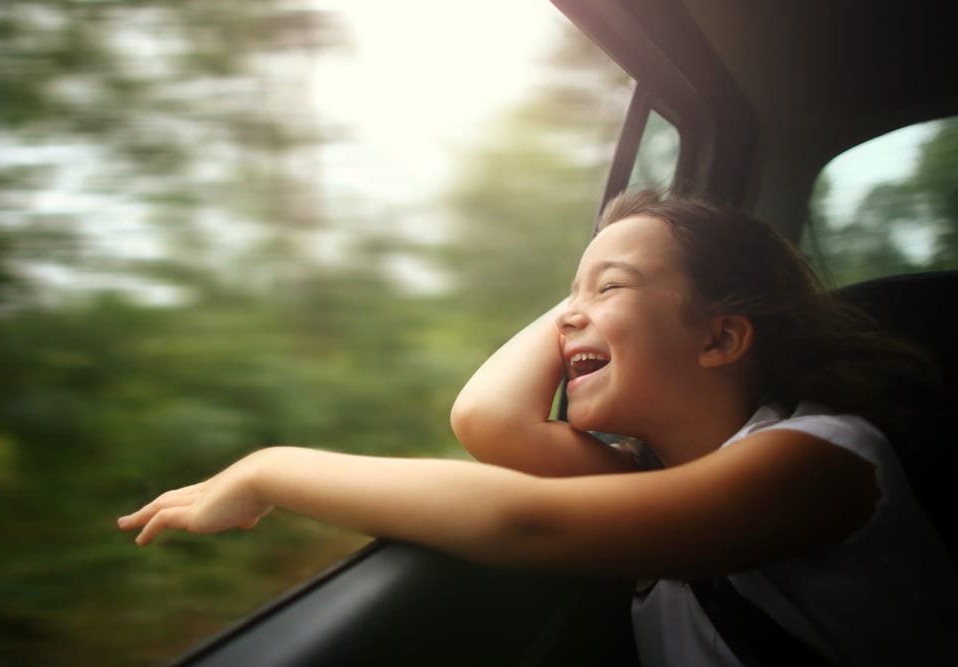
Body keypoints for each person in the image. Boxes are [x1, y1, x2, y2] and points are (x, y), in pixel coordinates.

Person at [118, 190, 957, 665]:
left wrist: (269, 468)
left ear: (721, 336)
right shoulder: (649, 476)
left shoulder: (824, 461)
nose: (566, 323)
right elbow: (487, 419)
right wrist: (599, 286)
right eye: (566, 298)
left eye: (608, 291)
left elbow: (522, 516)